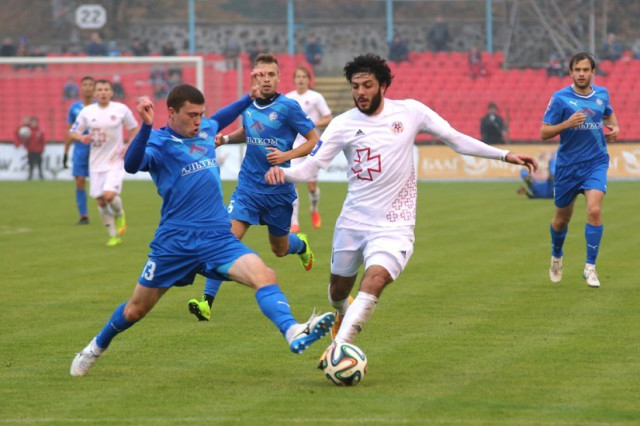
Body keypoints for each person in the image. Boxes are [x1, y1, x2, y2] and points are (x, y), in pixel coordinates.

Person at [264, 54, 537, 358]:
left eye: (367, 85)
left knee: (376, 279)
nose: (360, 92)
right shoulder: (342, 124)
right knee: (337, 291)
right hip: (353, 222)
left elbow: (455, 138)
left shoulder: (410, 112)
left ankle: (339, 349)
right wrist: (283, 173)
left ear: (383, 85)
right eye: (355, 86)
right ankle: (342, 313)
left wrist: (504, 155)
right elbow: (312, 166)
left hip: (395, 224)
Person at [69, 85, 335, 376]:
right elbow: (132, 165)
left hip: (217, 238)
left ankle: (293, 331)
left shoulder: (206, 129)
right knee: (136, 309)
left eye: (201, 114)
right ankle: (94, 348)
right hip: (175, 242)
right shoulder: (159, 141)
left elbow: (221, 117)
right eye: (191, 115)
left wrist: (248, 97)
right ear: (172, 113)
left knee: (265, 275)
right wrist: (145, 126)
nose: (198, 121)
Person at [187, 53, 319, 322]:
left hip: (278, 189)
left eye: (271, 74)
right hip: (248, 188)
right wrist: (225, 139)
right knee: (225, 241)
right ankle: (206, 303)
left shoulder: (288, 107)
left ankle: (300, 244)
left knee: (279, 249)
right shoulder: (247, 105)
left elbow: (313, 139)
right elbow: (249, 132)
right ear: (254, 77)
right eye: (261, 75)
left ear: (278, 78)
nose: (266, 79)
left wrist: (286, 156)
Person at [541, 52, 619, 288]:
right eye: (578, 70)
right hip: (568, 166)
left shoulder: (602, 94)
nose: (582, 74)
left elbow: (609, 115)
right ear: (571, 72)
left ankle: (590, 267)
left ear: (593, 72)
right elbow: (544, 132)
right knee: (561, 220)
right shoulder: (560, 98)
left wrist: (615, 127)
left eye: (586, 70)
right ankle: (556, 255)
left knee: (594, 210)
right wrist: (567, 123)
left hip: (596, 162)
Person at [69, 79, 139, 246]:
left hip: (115, 160)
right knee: (100, 200)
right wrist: (81, 137)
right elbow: (73, 131)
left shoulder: (121, 109)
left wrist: (129, 145)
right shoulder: (87, 112)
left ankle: (120, 213)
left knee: (109, 195)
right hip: (96, 162)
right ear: (95, 93)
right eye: (99, 90)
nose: (103, 92)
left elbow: (134, 128)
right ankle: (113, 235)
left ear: (111, 92)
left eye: (106, 89)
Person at [285, 65, 333, 232]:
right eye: (298, 76)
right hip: (295, 146)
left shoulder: (316, 97)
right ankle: (294, 221)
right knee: (293, 184)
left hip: (313, 145)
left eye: (303, 76)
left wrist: (313, 123)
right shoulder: (288, 98)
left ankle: (314, 208)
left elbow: (328, 117)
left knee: (312, 187)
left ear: (308, 80)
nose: (300, 79)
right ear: (294, 79)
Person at [63, 76, 96, 225]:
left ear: (94, 88)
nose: (88, 87)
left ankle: (108, 210)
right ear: (81, 88)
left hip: (97, 148)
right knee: (80, 181)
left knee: (100, 182)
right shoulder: (74, 107)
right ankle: (84, 215)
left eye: (90, 85)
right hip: (80, 148)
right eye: (85, 85)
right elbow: (69, 131)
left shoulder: (100, 106)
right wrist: (65, 152)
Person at [15, 116, 46, 180]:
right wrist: (27, 147)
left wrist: (42, 149)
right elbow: (25, 140)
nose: (34, 124)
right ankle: (30, 176)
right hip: (31, 150)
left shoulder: (40, 131)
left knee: (39, 164)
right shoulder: (28, 131)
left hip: (38, 151)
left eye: (35, 122)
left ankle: (41, 176)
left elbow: (42, 141)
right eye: (33, 122)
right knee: (31, 164)